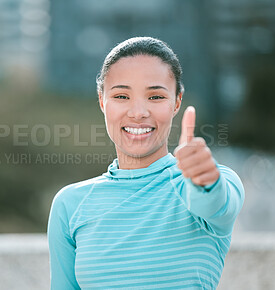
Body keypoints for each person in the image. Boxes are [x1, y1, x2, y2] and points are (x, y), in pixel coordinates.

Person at [47, 37, 244, 289]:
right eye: (121, 95)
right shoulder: (69, 204)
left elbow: (214, 202)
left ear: (177, 102)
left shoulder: (218, 182)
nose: (138, 112)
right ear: (102, 101)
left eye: (155, 97)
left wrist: (205, 180)